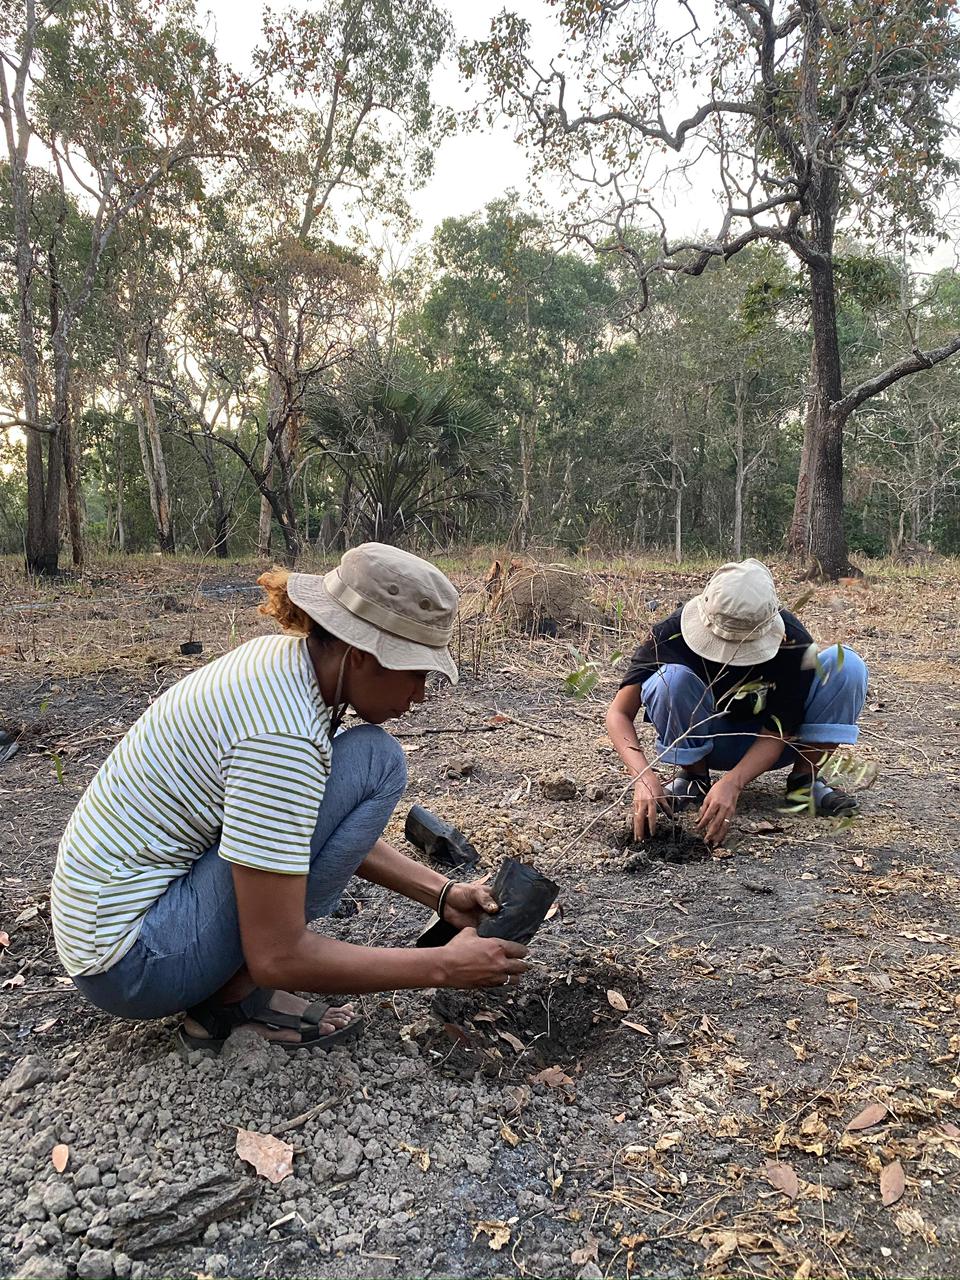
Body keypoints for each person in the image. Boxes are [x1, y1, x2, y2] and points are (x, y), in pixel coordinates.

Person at [51, 543, 527, 1053]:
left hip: (119, 928)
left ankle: (225, 987)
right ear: (363, 656)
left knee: (374, 758)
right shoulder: (283, 739)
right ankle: (231, 1005)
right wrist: (441, 967)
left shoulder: (288, 666)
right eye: (416, 672)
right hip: (134, 961)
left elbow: (292, 826)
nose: (420, 696)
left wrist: (440, 893)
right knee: (379, 762)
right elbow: (276, 958)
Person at [605, 559, 868, 846]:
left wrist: (733, 782)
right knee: (670, 679)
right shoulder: (670, 633)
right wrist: (643, 776)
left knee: (847, 666)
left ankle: (805, 784)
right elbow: (619, 713)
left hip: (773, 742)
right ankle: (694, 779)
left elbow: (778, 730)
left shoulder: (793, 640)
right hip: (706, 740)